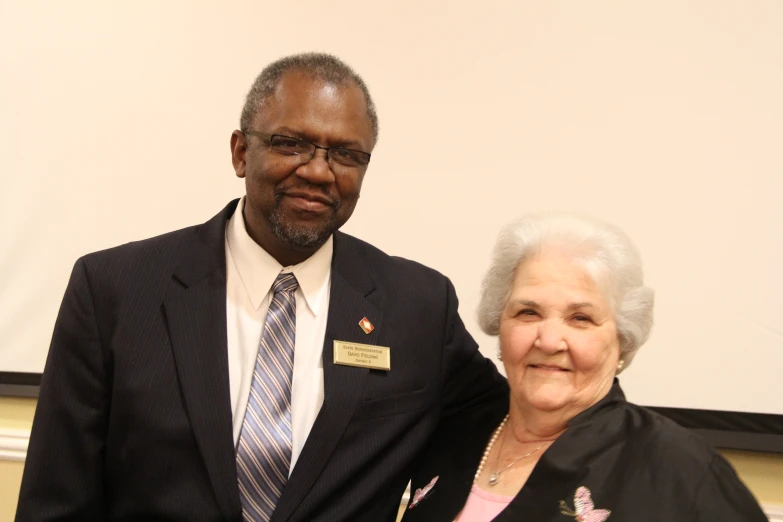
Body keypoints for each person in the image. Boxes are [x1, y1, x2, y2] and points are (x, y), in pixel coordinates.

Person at [16, 53, 507, 522]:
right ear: (240, 152)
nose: (318, 171)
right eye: (291, 143)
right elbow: (56, 499)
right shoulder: (115, 292)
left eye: (346, 154)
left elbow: (505, 420)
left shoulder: (418, 306)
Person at [401, 213, 767, 522]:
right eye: (528, 312)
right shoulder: (456, 435)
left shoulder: (677, 468)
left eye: (580, 318)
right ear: (500, 323)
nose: (548, 340)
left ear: (622, 338)